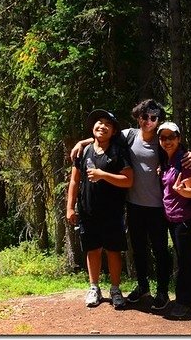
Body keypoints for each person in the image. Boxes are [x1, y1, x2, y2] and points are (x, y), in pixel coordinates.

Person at [70, 99, 191, 311]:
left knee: (159, 250)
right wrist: (82, 143)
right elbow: (102, 135)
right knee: (138, 249)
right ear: (138, 117)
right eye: (144, 116)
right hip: (134, 204)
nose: (148, 121)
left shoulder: (163, 140)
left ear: (158, 120)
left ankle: (162, 291)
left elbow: (182, 154)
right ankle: (143, 286)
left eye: (153, 117)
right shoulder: (129, 135)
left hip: (158, 206)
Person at [66, 109, 133, 309]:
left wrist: (103, 175)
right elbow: (74, 181)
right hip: (87, 211)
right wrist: (70, 207)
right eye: (99, 122)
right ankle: (94, 287)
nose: (102, 126)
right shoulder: (83, 151)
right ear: (93, 127)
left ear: (113, 131)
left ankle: (115, 289)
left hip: (112, 212)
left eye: (107, 124)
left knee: (113, 251)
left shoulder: (118, 152)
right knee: (92, 249)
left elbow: (128, 180)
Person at [156, 121, 191, 317]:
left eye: (171, 137)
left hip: (186, 219)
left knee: (185, 262)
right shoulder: (167, 160)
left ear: (178, 138)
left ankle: (183, 301)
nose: (167, 141)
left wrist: (180, 190)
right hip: (174, 219)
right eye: (163, 137)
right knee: (188, 258)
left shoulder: (185, 161)